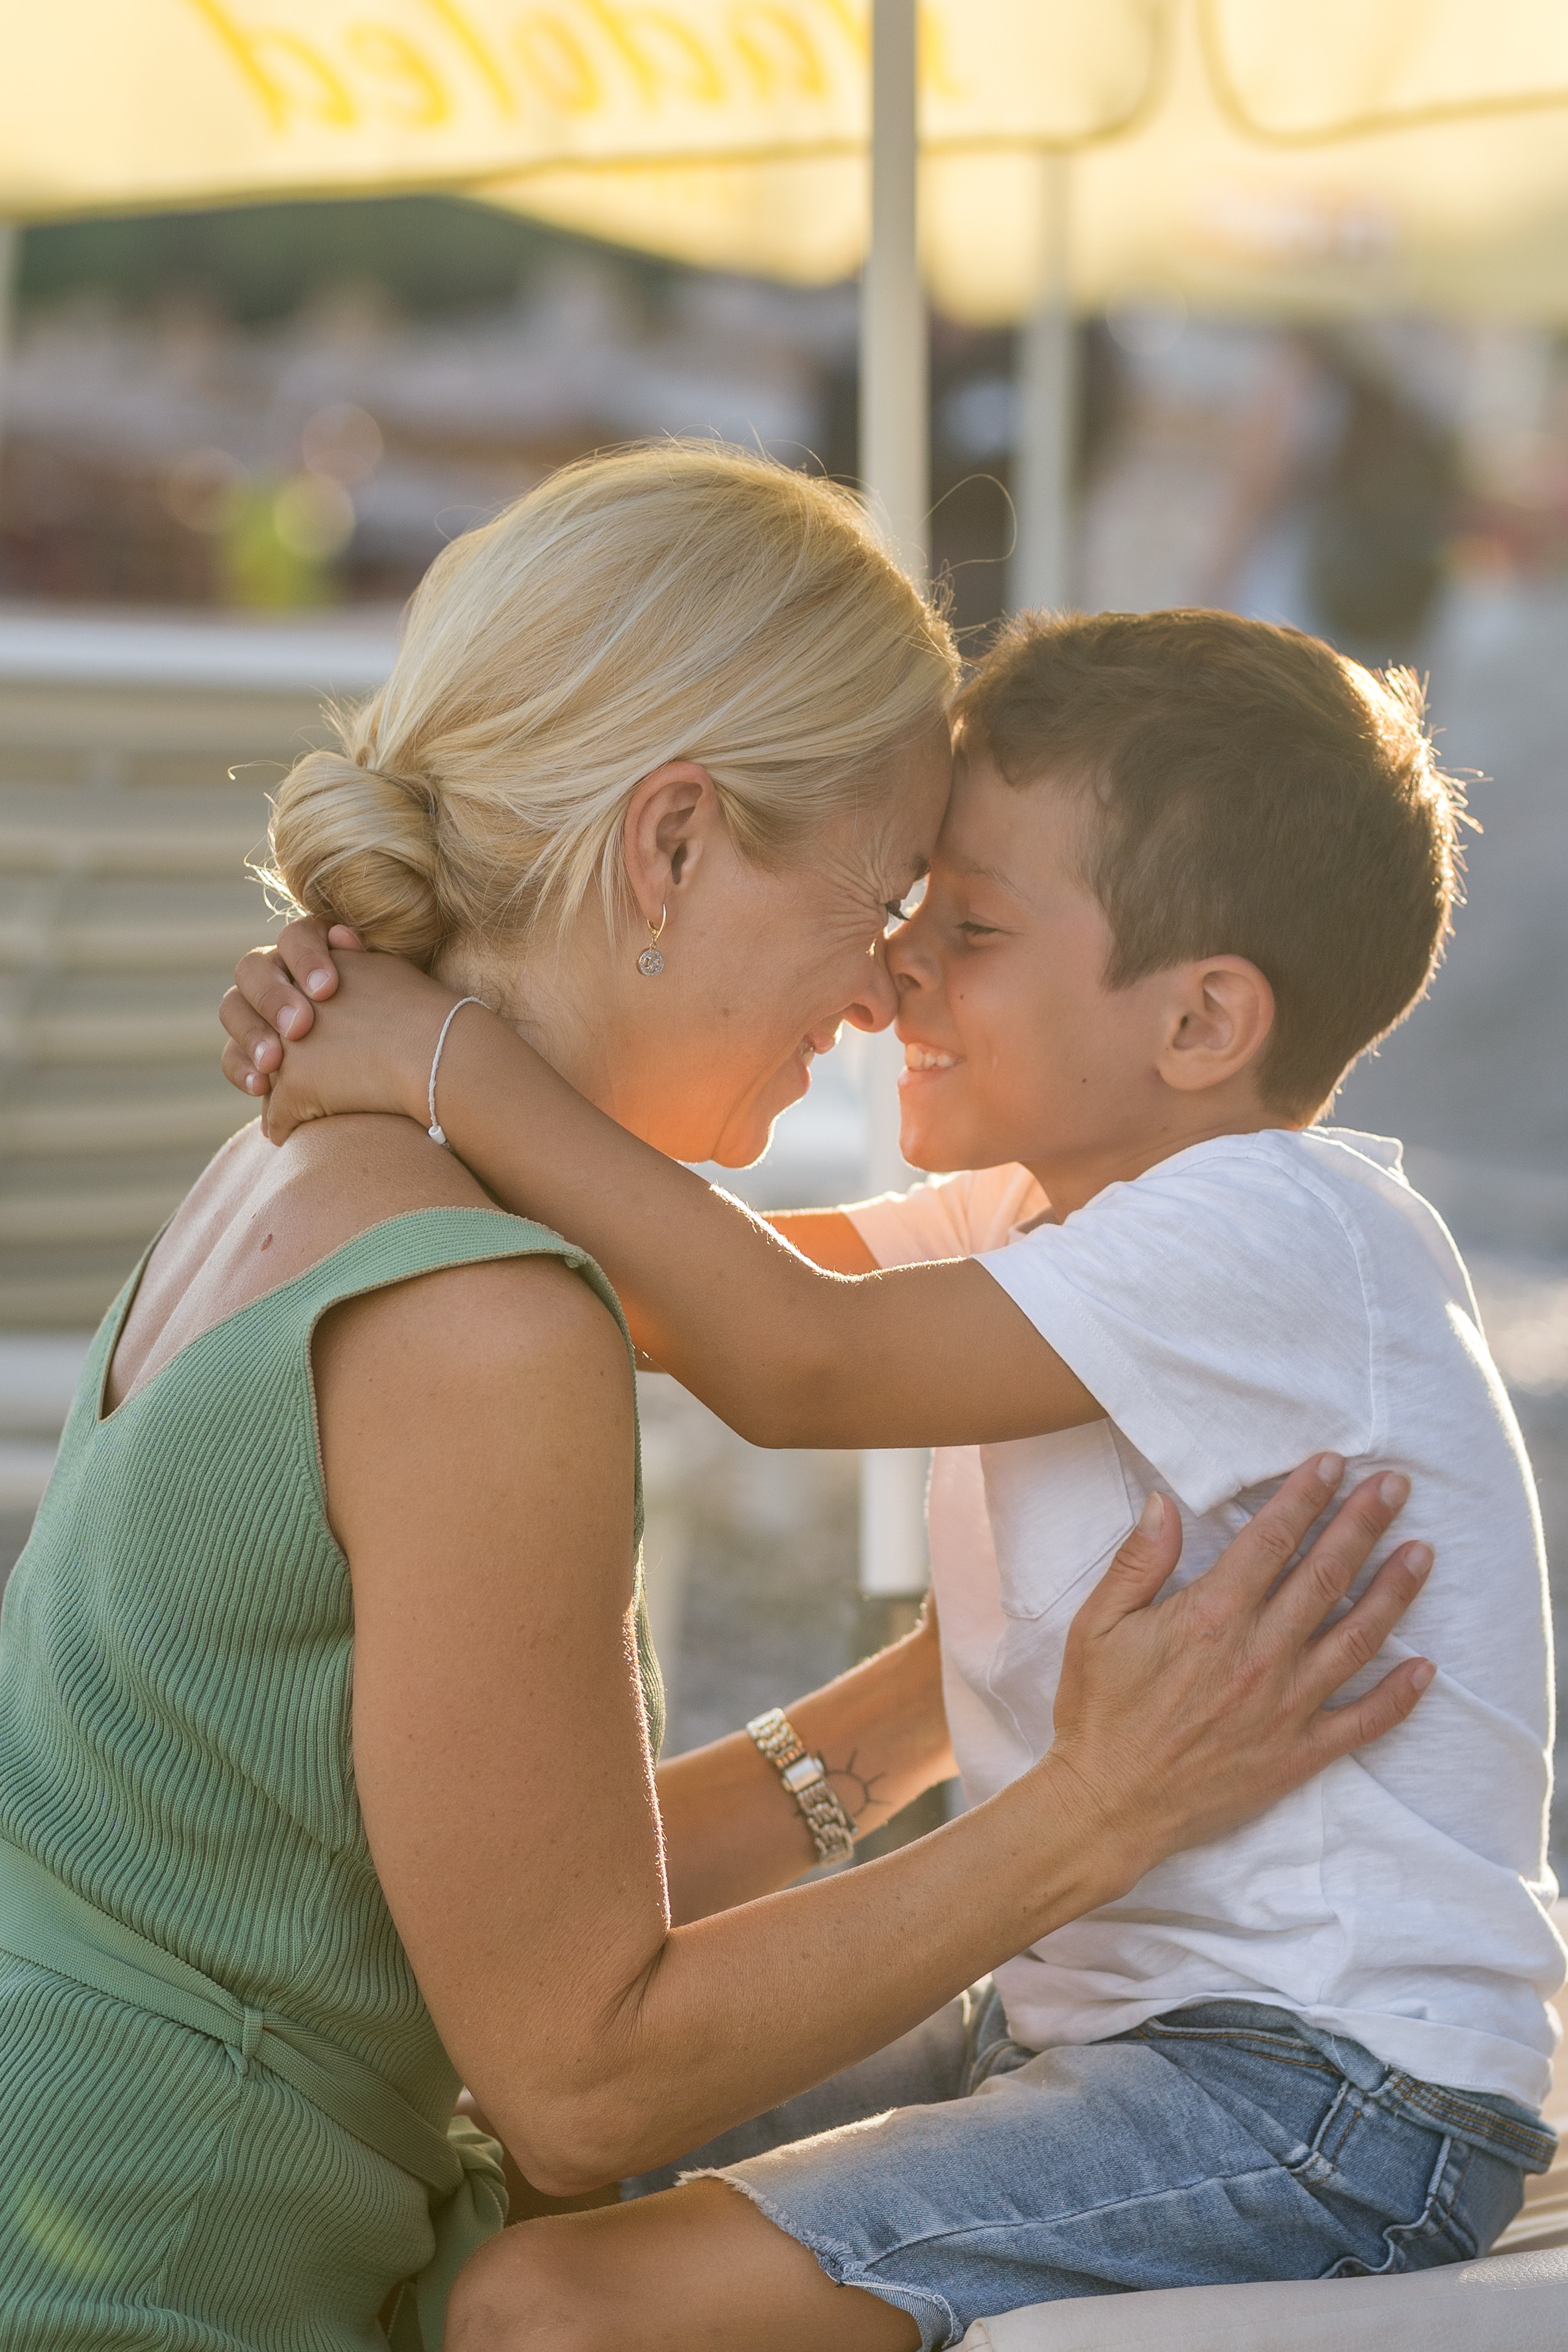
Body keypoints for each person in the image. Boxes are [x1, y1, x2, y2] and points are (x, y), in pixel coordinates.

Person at [0, 450, 1432, 2352]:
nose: (880, 995)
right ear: (669, 846)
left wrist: (937, 1697)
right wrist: (1095, 1811)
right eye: (879, 900)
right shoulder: (480, 1323)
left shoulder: (316, 1163)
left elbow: (472, 1877)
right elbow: (579, 2077)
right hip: (151, 2280)